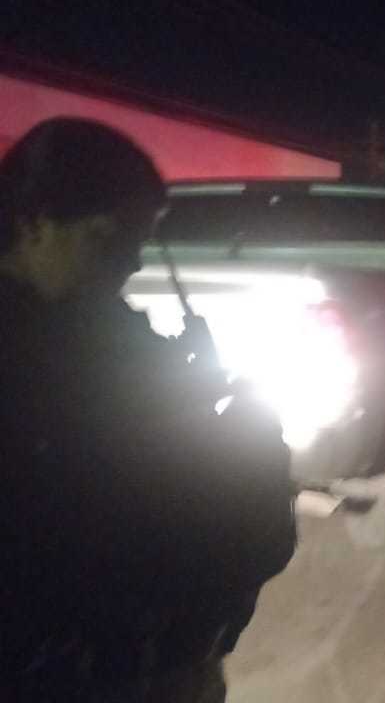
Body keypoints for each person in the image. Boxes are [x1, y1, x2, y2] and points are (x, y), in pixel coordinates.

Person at [0, 118, 296, 701]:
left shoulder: (112, 335)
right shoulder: (37, 364)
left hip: (164, 664)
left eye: (141, 240)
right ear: (33, 224)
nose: (133, 262)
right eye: (112, 238)